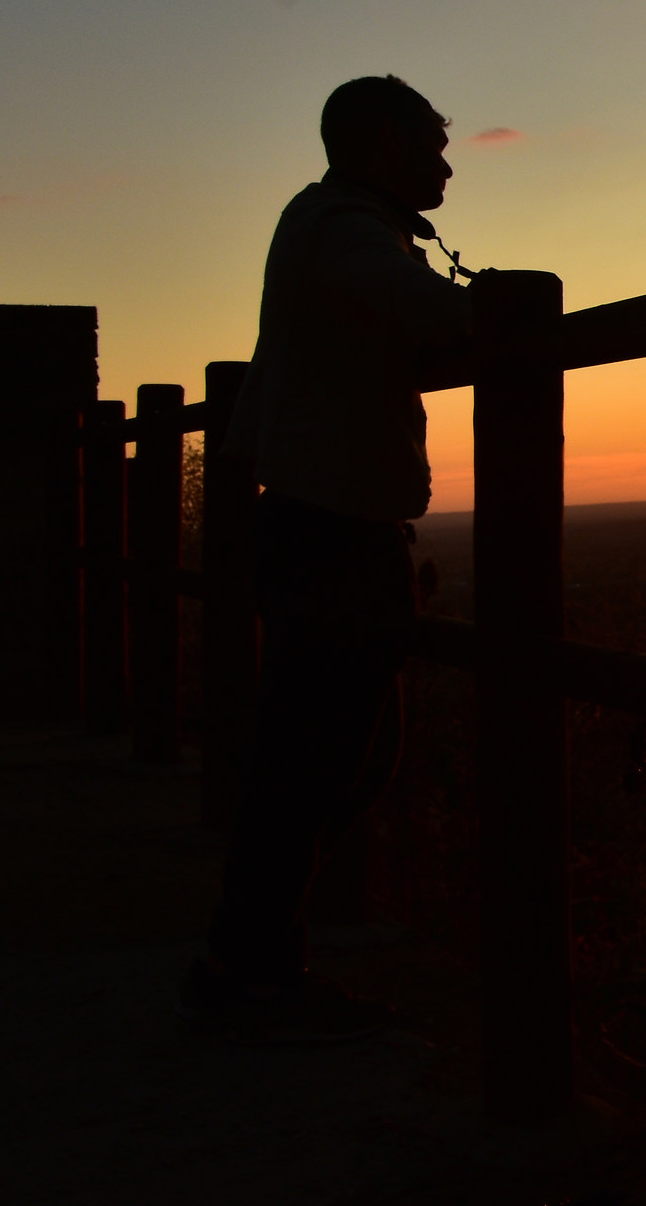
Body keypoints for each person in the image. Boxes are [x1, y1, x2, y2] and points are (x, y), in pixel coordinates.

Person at [179, 75, 472, 1041]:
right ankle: (253, 968)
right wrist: (507, 307)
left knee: (327, 756)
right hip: (335, 532)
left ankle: (248, 955)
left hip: (321, 525)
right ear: (385, 144)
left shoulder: (330, 226)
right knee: (320, 760)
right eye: (432, 147)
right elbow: (443, 318)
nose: (446, 167)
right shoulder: (345, 231)